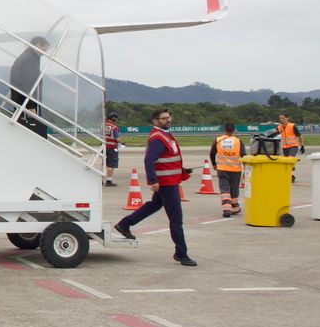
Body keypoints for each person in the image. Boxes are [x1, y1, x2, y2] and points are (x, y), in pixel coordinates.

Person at [113, 108, 196, 266]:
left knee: (153, 206)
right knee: (176, 219)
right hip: (167, 184)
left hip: (170, 181)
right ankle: (181, 253)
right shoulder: (158, 138)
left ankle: (125, 224)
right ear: (156, 121)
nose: (168, 120)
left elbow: (166, 159)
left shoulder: (165, 135)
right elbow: (149, 160)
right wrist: (153, 181)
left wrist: (181, 171)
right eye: (164, 118)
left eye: (169, 117)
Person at [9, 36, 50, 137]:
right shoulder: (30, 59)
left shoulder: (27, 56)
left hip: (22, 101)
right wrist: (31, 105)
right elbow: (27, 83)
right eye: (44, 49)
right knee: (35, 135)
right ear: (38, 45)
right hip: (27, 103)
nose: (44, 53)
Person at [209, 121, 244, 218]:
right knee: (234, 189)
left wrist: (214, 164)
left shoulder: (218, 140)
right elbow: (243, 155)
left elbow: (212, 153)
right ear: (233, 130)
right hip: (236, 170)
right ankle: (235, 207)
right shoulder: (238, 141)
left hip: (222, 169)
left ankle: (226, 209)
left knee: (225, 189)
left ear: (224, 129)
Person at [103, 112, 122, 186]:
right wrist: (122, 142)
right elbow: (117, 139)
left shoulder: (103, 126)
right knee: (111, 164)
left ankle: (100, 179)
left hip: (104, 146)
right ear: (114, 119)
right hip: (112, 147)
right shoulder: (114, 127)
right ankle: (109, 181)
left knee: (104, 163)